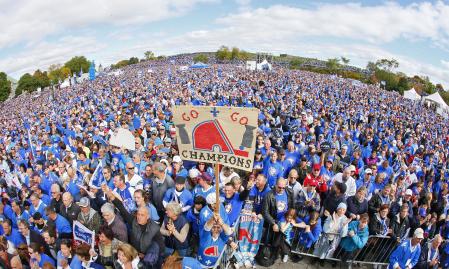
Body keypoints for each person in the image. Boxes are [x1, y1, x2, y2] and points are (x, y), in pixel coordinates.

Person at [107, 188, 165, 266]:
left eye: (142, 215)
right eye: (138, 214)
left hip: (148, 259)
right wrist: (112, 197)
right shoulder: (133, 221)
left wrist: (146, 256)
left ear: (148, 217)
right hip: (135, 254)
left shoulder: (155, 229)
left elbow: (159, 248)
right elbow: (122, 209)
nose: (139, 217)